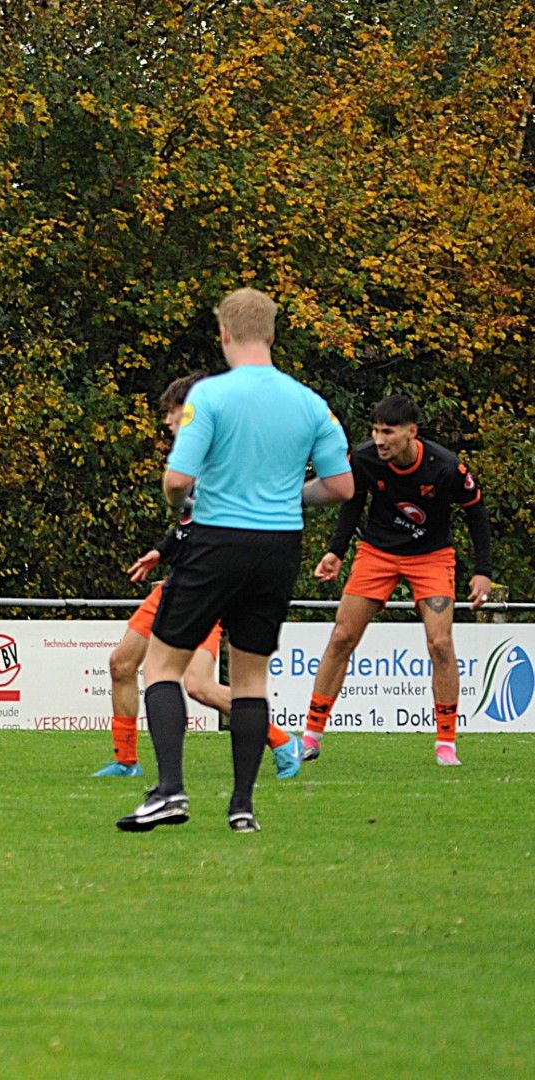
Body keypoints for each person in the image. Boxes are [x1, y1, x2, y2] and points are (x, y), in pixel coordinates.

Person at [117, 288, 351, 834]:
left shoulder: (212, 399)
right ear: (272, 335)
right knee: (250, 680)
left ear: (224, 334)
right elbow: (341, 486)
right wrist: (285, 498)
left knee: (162, 667)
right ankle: (242, 806)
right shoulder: (310, 403)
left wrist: (181, 507)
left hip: (217, 540)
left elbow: (177, 480)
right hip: (279, 549)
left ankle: (171, 791)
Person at [98, 374, 300, 780]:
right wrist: (162, 551)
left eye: (172, 417)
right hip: (178, 582)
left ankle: (281, 739)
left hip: (210, 588)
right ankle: (126, 761)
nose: (168, 426)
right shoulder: (197, 459)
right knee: (121, 663)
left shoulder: (224, 458)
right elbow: (190, 523)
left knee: (199, 686)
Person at [302, 395, 492, 766]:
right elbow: (352, 501)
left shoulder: (446, 467)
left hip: (432, 556)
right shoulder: (365, 458)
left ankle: (446, 743)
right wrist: (335, 551)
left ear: (411, 432)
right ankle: (311, 736)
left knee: (440, 642)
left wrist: (483, 571)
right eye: (375, 430)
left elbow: (476, 511)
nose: (379, 439)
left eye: (387, 432)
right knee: (342, 636)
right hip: (378, 553)